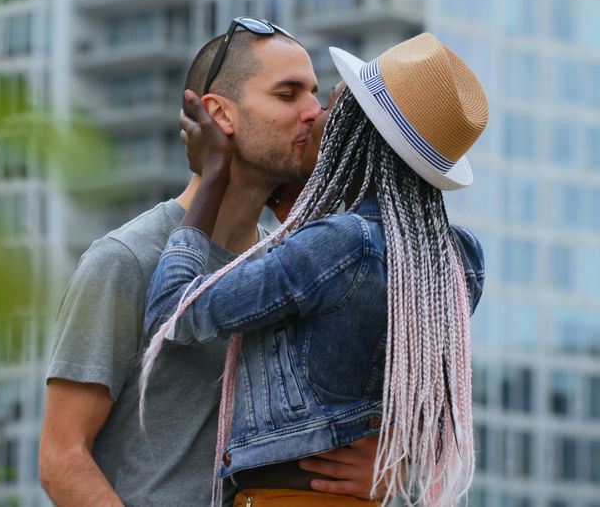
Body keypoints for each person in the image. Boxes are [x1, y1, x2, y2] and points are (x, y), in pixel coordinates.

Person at [39, 18, 379, 506]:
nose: (313, 112)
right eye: (287, 95)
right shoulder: (127, 259)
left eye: (314, 94)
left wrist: (392, 469)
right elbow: (62, 458)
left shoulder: (294, 268)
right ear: (219, 113)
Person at [142, 33, 488, 506]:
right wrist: (399, 465)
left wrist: (213, 177)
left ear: (351, 132)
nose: (314, 115)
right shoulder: (455, 259)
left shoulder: (338, 246)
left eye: (329, 105)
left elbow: (172, 314)